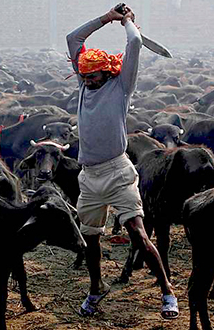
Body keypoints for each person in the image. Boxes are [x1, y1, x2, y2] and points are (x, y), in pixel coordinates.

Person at [66, 5, 179, 319]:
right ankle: (96, 287)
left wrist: (129, 23)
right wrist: (107, 18)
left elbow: (135, 45)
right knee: (90, 239)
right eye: (84, 76)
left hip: (118, 171)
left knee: (139, 234)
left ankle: (167, 290)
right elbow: (73, 38)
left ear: (106, 73)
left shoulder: (121, 87)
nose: (87, 81)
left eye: (92, 77)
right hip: (89, 176)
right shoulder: (83, 86)